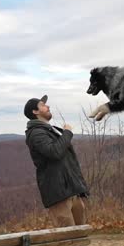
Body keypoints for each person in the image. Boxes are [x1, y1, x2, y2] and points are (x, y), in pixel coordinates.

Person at [24, 95, 89, 227]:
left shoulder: (48, 130)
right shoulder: (36, 133)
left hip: (70, 190)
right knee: (67, 237)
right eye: (42, 105)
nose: (47, 106)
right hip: (58, 193)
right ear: (35, 112)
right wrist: (67, 133)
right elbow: (55, 152)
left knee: (81, 233)